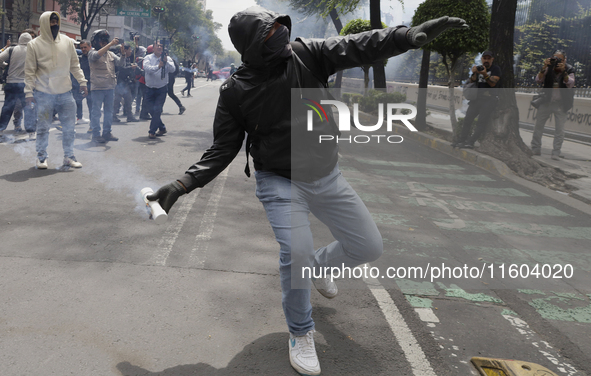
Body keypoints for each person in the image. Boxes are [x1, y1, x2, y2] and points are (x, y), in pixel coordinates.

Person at [146, 7, 467, 376]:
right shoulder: (235, 90)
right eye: (271, 34)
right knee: (295, 254)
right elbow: (223, 149)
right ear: (252, 47)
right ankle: (301, 332)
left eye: (282, 28)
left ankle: (318, 265)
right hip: (280, 181)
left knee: (368, 247)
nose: (283, 36)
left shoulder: (307, 53)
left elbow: (359, 44)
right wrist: (183, 184)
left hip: (326, 175)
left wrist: (407, 36)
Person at [25, 11, 88, 169]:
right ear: (45, 23)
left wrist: (82, 81)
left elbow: (75, 64)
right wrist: (28, 92)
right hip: (44, 95)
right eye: (51, 22)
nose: (55, 24)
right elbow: (30, 71)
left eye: (56, 21)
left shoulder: (67, 41)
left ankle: (69, 156)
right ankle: (41, 157)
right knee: (43, 127)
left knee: (69, 128)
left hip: (65, 94)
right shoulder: (34, 44)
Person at [530, 49, 575, 160]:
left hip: (561, 104)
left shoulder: (569, 69)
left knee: (559, 130)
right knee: (538, 126)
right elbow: (538, 80)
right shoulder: (549, 67)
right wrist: (544, 67)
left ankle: (556, 152)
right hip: (546, 101)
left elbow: (570, 83)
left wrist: (564, 71)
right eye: (555, 58)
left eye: (560, 59)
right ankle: (535, 149)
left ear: (565, 60)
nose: (557, 61)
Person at [453, 50, 501, 149]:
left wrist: (485, 74)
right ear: (482, 59)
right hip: (476, 99)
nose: (486, 60)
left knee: (481, 122)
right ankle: (461, 140)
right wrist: (474, 73)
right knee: (467, 120)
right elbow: (472, 81)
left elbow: (493, 83)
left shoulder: (496, 69)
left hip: (489, 100)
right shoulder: (479, 68)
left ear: (492, 59)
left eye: (488, 58)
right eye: (485, 58)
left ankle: (470, 142)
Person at [87, 29, 124, 143]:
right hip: (98, 88)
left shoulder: (111, 54)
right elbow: (97, 55)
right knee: (96, 112)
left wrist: (123, 54)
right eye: (101, 41)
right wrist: (110, 44)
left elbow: (120, 64)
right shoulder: (92, 53)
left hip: (110, 87)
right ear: (95, 42)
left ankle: (107, 133)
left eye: (105, 41)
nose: (103, 42)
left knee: (109, 112)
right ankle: (96, 135)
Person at [0, 31, 35, 142]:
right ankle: (31, 132)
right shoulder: (32, 51)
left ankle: (1, 130)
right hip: (26, 84)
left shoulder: (11, 49)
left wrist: (4, 65)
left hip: (10, 83)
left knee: (7, 108)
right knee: (29, 108)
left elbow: (0, 58)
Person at [142, 40, 175, 139]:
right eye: (158, 45)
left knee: (157, 110)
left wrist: (165, 62)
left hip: (161, 89)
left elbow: (173, 69)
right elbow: (147, 69)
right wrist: (158, 66)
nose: (159, 47)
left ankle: (152, 131)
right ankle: (162, 127)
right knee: (150, 109)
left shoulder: (167, 58)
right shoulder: (148, 57)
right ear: (153, 47)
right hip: (149, 88)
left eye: (161, 46)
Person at [113, 44, 140, 123]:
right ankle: (113, 116)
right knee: (116, 101)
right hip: (119, 82)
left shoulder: (127, 58)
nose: (131, 51)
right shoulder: (119, 57)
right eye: (129, 49)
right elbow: (121, 69)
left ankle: (129, 116)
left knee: (128, 100)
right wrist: (131, 67)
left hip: (124, 82)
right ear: (125, 50)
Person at [78, 40, 94, 133]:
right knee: (76, 102)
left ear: (90, 46)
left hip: (93, 85)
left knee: (92, 106)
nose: (83, 49)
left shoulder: (94, 56)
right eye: (81, 48)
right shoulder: (80, 59)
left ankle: (92, 126)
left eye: (85, 47)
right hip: (83, 85)